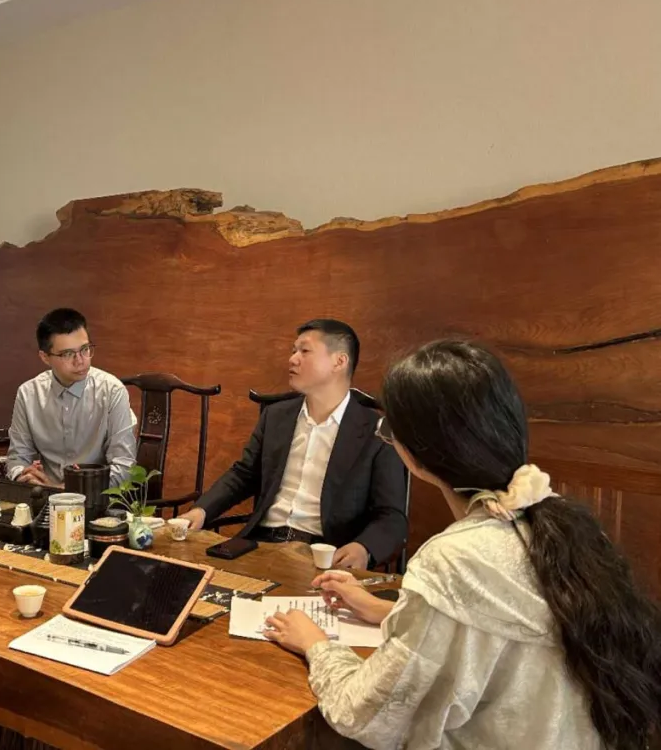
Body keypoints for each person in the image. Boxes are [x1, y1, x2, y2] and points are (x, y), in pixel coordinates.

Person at [263, 341, 661, 750]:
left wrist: (315, 644)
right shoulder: (559, 522)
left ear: (414, 453)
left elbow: (366, 716)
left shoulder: (454, 560)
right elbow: (488, 630)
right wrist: (386, 611)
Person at [180, 320, 407, 569]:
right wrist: (201, 511)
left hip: (324, 556)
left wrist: (364, 548)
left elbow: (391, 516)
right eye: (293, 350)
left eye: (305, 351)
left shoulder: (377, 431)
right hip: (259, 545)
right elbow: (244, 475)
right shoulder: (276, 416)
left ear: (339, 361)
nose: (293, 359)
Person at [7, 308, 136, 487]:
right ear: (45, 357)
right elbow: (17, 458)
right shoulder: (29, 394)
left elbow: (124, 468)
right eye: (68, 354)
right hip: (44, 493)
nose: (80, 361)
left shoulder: (112, 391)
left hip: (96, 498)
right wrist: (25, 475)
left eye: (85, 349)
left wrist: (65, 491)